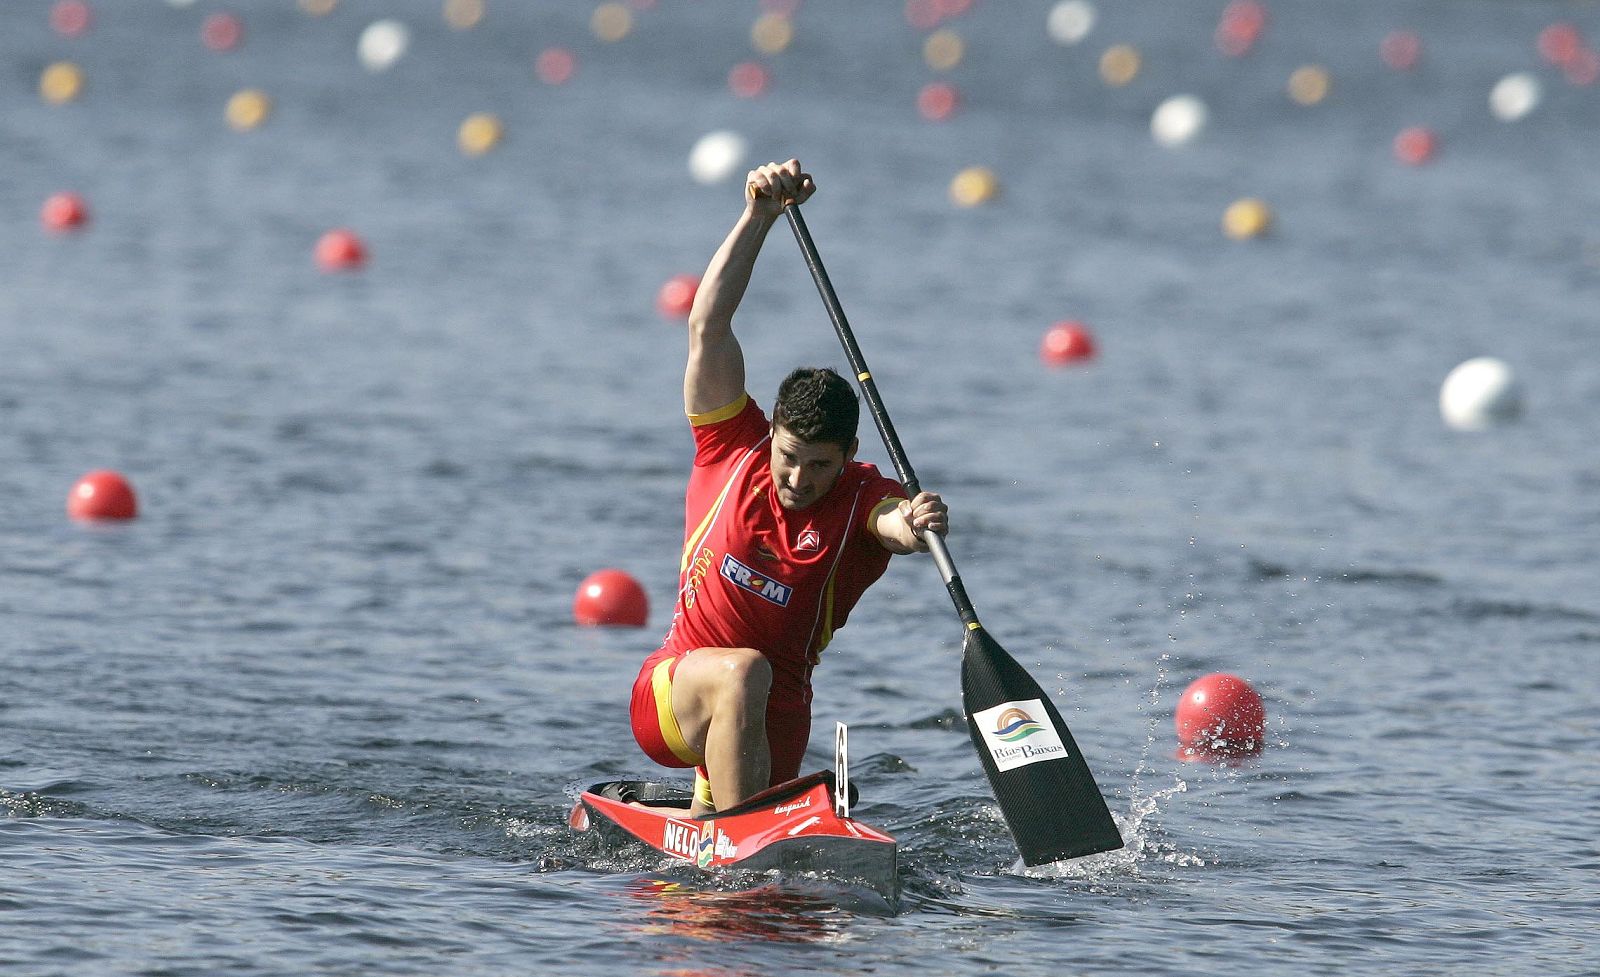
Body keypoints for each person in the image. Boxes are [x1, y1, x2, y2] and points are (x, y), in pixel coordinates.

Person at [629, 159, 949, 817]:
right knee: (741, 668)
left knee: (754, 686)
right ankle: (733, 834)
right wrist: (758, 217)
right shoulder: (731, 445)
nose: (799, 478)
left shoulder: (863, 496)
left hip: (779, 719)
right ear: (772, 430)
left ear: (850, 457)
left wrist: (914, 525)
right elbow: (707, 327)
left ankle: (708, 815)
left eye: (819, 466)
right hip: (672, 693)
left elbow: (891, 522)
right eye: (790, 457)